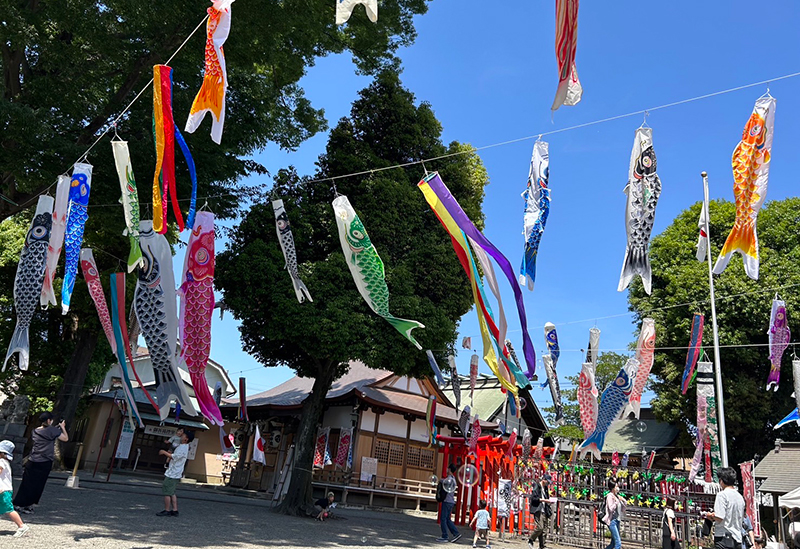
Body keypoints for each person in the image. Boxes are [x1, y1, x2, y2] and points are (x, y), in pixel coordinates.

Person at [13, 411, 68, 514]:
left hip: (32, 459)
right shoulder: (53, 430)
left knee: (26, 483)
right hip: (45, 461)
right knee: (38, 484)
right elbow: (65, 438)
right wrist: (63, 427)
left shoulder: (35, 431)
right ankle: (28, 505)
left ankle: (19, 503)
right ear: (48, 420)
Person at [156, 430, 194, 517]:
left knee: (167, 491)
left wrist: (164, 452)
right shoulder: (183, 446)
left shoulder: (183, 447)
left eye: (183, 435)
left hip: (173, 473)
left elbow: (175, 457)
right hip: (175, 472)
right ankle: (175, 510)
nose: (181, 435)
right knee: (172, 492)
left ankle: (167, 509)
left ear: (186, 439)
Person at [706, 467, 745, 549]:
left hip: (723, 537)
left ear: (722, 480)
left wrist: (710, 515)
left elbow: (720, 517)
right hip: (737, 538)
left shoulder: (722, 495)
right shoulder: (740, 497)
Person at [0, 441, 29, 537]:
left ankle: (21, 526)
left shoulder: (1, 462)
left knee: (9, 509)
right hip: (5, 489)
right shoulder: (6, 462)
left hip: (3, 490)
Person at [437, 463, 462, 543]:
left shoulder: (449, 479)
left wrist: (440, 480)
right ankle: (455, 533)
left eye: (448, 468)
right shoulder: (453, 479)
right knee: (447, 519)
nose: (446, 470)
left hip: (447, 501)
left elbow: (444, 483)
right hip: (450, 501)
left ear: (450, 469)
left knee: (443, 519)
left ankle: (445, 536)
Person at [528, 474, 553, 549]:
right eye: (547, 482)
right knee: (540, 527)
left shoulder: (545, 488)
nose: (548, 484)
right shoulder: (537, 486)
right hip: (538, 509)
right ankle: (531, 539)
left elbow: (547, 497)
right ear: (544, 479)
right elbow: (533, 498)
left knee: (545, 529)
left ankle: (542, 545)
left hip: (544, 509)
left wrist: (549, 501)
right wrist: (543, 500)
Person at [602, 479, 626, 549]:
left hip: (617, 520)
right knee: (618, 543)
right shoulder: (610, 496)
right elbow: (611, 508)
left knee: (613, 543)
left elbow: (623, 509)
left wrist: (624, 501)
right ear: (612, 488)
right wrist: (616, 502)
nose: (617, 488)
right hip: (612, 521)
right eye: (616, 486)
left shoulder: (617, 496)